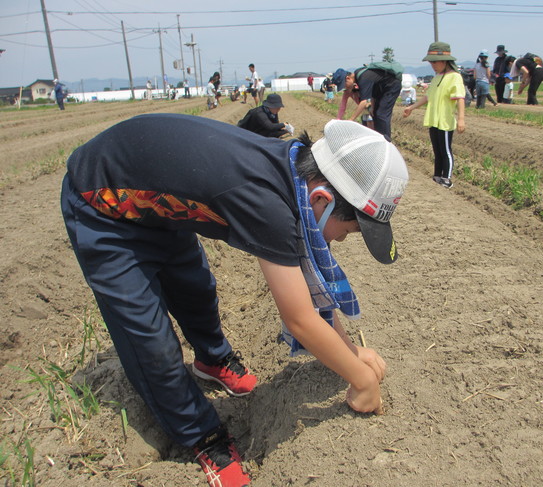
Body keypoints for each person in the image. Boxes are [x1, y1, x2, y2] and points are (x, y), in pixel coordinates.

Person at [61, 115, 408, 487]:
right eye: (351, 229)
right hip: (103, 203)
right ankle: (202, 437)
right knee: (151, 342)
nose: (342, 239)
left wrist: (351, 352)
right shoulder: (266, 202)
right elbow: (301, 319)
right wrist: (360, 379)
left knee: (195, 288)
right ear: (321, 198)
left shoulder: (292, 172)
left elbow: (307, 287)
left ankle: (212, 360)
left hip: (158, 204)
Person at [403, 41, 465, 189]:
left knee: (445, 151)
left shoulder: (454, 77)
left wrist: (461, 119)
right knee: (436, 150)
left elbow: (460, 98)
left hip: (444, 120)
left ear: (444, 61)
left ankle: (447, 179)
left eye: (434, 62)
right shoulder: (437, 77)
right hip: (433, 120)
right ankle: (437, 176)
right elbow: (428, 97)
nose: (432, 65)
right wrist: (412, 107)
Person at [332, 62, 402, 142]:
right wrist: (372, 106)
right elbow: (371, 91)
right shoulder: (359, 76)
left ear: (348, 78)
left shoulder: (363, 78)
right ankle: (378, 139)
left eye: (345, 85)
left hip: (391, 86)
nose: (345, 88)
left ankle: (386, 141)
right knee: (375, 114)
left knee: (381, 114)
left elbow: (364, 102)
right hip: (381, 90)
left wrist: (351, 119)